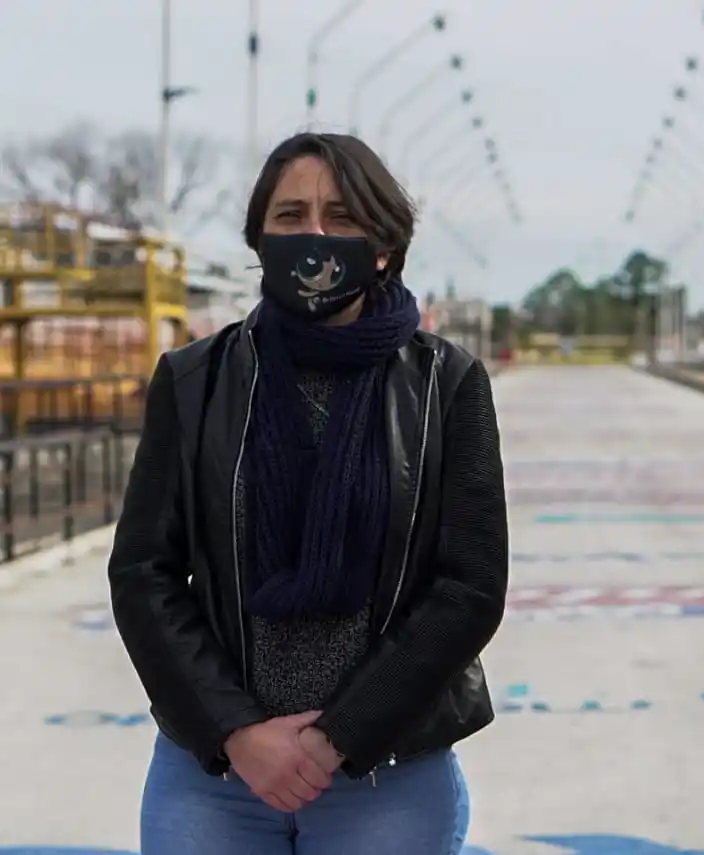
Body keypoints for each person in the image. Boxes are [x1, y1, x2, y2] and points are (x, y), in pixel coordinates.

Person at [107, 132, 509, 855]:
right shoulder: (195, 379)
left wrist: (339, 738)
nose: (315, 235)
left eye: (343, 217)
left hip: (387, 776)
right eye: (290, 216)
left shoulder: (446, 384)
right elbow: (145, 571)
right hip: (215, 779)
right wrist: (235, 730)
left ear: (385, 245)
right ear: (260, 239)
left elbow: (469, 586)